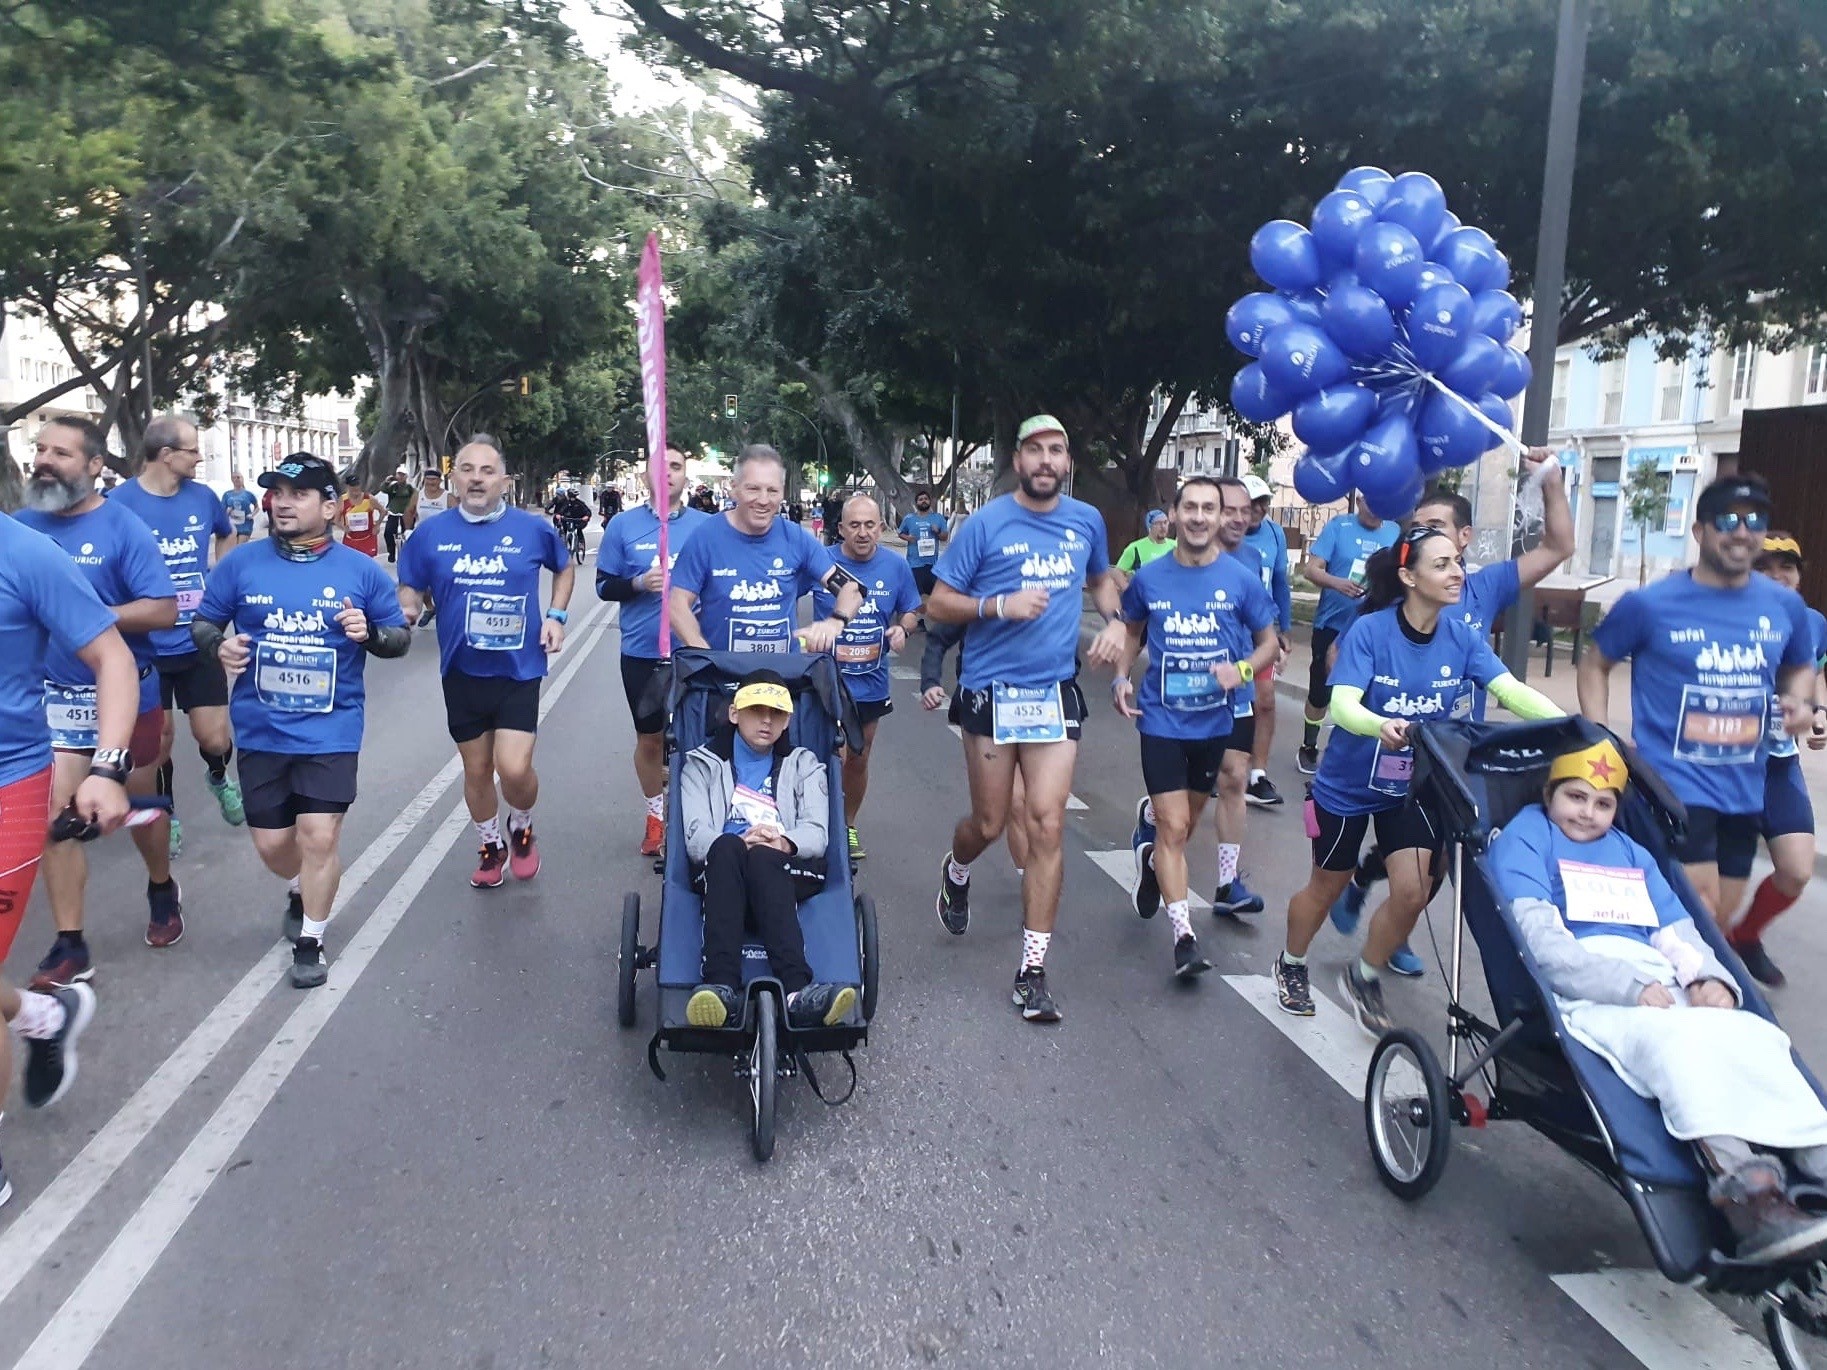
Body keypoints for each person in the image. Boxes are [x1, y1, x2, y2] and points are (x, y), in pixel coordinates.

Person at [1490, 736, 1827, 1266]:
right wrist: (1624, 986)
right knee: (1678, 1046)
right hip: (1592, 989)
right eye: (1576, 797)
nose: (1588, 813)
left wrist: (1708, 979)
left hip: (1659, 976)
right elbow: (1544, 945)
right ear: (1549, 793)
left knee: (1756, 1036)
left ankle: (1817, 1154)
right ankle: (1749, 1195)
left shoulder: (1631, 852)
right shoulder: (1526, 839)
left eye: (1603, 804)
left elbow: (1677, 932)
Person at [1276, 526, 1560, 1032]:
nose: (1457, 573)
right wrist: (1378, 724)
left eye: (1458, 562)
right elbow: (1342, 706)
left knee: (1413, 890)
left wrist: (1570, 729)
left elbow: (1510, 691)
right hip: (1347, 785)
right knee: (1326, 885)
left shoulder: (1460, 636)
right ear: (1408, 576)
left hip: (1410, 786)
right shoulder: (1370, 631)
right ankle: (1291, 962)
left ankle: (1363, 975)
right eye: (1442, 564)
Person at [1328, 451, 1575, 973]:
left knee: (1434, 863)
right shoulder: (1393, 599)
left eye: (1435, 529)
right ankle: (1381, 929)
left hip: (1450, 754)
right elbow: (1349, 655)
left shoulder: (1482, 587)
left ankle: (1380, 907)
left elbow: (1558, 546)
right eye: (1415, 531)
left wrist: (1551, 477)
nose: (1420, 538)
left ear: (1463, 538)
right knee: (1415, 867)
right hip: (1384, 751)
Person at [928, 414, 1126, 1022]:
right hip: (990, 690)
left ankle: (1032, 972)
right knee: (990, 824)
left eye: (1057, 451)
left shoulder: (1086, 520)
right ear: (1018, 460)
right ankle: (957, 868)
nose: (1046, 460)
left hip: (1052, 692)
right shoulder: (985, 523)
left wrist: (1117, 620)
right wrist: (998, 604)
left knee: (1046, 826)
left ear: (1067, 462)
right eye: (1035, 450)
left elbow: (1101, 579)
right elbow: (938, 601)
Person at [191, 455, 410, 988]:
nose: (283, 502)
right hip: (261, 728)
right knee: (273, 846)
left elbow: (398, 638)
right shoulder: (241, 565)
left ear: (330, 507)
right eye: (278, 492)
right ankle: (299, 886)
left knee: (318, 836)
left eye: (299, 493)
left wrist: (370, 634)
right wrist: (221, 646)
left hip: (331, 729)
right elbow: (202, 624)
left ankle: (311, 940)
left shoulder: (361, 572)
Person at [1579, 475, 1816, 924]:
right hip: (1673, 785)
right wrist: (1602, 736)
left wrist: (1799, 701)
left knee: (1719, 921)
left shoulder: (1784, 606)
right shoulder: (1649, 604)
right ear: (1699, 531)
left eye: (1754, 522)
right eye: (1728, 520)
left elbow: (1800, 664)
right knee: (1698, 916)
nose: (1742, 532)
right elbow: (1595, 664)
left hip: (1746, 787)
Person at [0, 507, 139, 1208]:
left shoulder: (26, 554)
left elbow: (112, 656)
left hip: (8, 785)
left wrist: (109, 769)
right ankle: (39, 1016)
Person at [18, 418, 181, 984]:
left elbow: (163, 609)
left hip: (125, 692)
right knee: (55, 817)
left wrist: (85, 618)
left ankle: (161, 887)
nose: (44, 460)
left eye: (61, 453)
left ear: (93, 466)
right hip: (52, 703)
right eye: (40, 449)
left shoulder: (123, 528)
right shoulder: (19, 529)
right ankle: (70, 942)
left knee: (134, 807)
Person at [1112, 476, 1277, 977]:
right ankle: (1184, 937)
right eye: (1192, 508)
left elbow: (1267, 643)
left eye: (1211, 508)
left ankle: (1151, 860)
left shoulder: (1241, 579)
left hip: (1214, 725)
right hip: (1160, 720)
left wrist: (1243, 671)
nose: (1201, 517)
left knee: (1182, 830)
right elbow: (1133, 630)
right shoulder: (1150, 578)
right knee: (1176, 826)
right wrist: (1121, 675)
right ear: (1176, 514)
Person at [397, 436, 573, 888]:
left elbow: (564, 566)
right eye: (468, 469)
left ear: (504, 481)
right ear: (454, 478)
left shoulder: (532, 529)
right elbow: (410, 584)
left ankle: (523, 823)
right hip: (461, 671)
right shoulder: (430, 535)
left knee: (513, 769)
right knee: (476, 770)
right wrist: (408, 607)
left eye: (487, 471)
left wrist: (555, 616)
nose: (476, 478)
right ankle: (490, 844)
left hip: (518, 668)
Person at [677, 670, 857, 1030]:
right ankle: (720, 987)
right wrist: (741, 842)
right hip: (722, 868)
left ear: (788, 719)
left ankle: (797, 992)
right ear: (733, 713)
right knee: (728, 846)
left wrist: (783, 841)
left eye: (776, 712)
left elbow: (818, 832)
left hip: (787, 866)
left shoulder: (805, 764)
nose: (766, 720)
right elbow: (696, 837)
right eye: (756, 709)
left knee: (763, 856)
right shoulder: (700, 764)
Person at [109, 414, 242, 853]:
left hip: (197, 637)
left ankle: (219, 776)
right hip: (146, 645)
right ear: (166, 454)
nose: (200, 456)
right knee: (160, 742)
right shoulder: (118, 503)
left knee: (215, 736)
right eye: (192, 449)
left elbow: (228, 535)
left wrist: (219, 574)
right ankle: (168, 813)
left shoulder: (203, 498)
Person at [1715, 533, 1827, 986]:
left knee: (1797, 870)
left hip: (1779, 766)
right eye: (1768, 567)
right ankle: (1703, 964)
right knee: (1715, 885)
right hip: (1722, 767)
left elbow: (1813, 673)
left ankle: (1746, 935)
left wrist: (1818, 712)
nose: (1780, 576)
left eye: (1789, 567)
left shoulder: (1814, 621)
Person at [597, 447, 712, 854]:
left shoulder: (707, 527)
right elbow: (602, 585)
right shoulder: (623, 526)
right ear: (645, 476)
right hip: (643, 653)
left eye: (676, 468)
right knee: (650, 740)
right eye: (659, 468)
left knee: (701, 739)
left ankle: (703, 817)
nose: (667, 475)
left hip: (697, 652)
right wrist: (638, 583)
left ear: (685, 476)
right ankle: (655, 817)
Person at [668, 444, 862, 657]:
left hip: (781, 679)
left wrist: (835, 622)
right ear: (734, 488)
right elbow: (677, 605)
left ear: (782, 492)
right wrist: (706, 658)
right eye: (753, 489)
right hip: (722, 679)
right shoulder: (705, 537)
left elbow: (852, 590)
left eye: (772, 491)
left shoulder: (795, 538)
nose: (763, 500)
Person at [813, 493, 920, 862]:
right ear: (840, 528)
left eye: (869, 525)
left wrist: (903, 629)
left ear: (881, 528)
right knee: (826, 755)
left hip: (870, 681)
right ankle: (817, 824)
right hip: (824, 680)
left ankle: (847, 824)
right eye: (854, 525)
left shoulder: (895, 566)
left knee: (858, 756)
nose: (862, 532)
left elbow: (911, 610)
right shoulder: (822, 563)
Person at [1297, 503, 1399, 774]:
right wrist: (1337, 583)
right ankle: (1309, 745)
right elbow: (1311, 570)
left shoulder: (1394, 531)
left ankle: (1357, 751)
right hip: (1332, 622)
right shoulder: (1338, 527)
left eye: (1381, 499)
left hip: (1376, 628)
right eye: (1371, 500)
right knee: (1321, 691)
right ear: (1361, 500)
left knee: (1367, 692)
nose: (1375, 507)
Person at [1240, 475, 1293, 808]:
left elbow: (1281, 584)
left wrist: (1284, 630)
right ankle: (1216, 766)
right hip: (1224, 634)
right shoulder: (1220, 534)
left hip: (1261, 634)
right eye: (1251, 502)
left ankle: (1256, 775)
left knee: (1266, 701)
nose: (1257, 509)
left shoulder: (1274, 534)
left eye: (1262, 502)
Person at [896, 489, 950, 627]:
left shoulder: (938, 518)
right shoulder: (909, 518)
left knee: (936, 594)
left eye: (926, 499)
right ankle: (917, 621)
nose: (923, 501)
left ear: (930, 501)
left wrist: (937, 531)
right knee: (916, 594)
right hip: (914, 563)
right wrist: (908, 538)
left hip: (932, 563)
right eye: (920, 499)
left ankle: (937, 620)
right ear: (916, 503)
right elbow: (900, 533)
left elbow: (945, 537)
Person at [1112, 509, 1174, 588]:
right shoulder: (1135, 548)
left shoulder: (1176, 546)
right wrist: (1128, 590)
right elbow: (1118, 572)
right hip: (1145, 595)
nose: (1163, 527)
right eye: (1158, 523)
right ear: (1149, 526)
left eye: (1165, 522)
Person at [379, 468, 415, 562]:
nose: (400, 477)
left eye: (402, 475)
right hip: (393, 512)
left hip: (406, 513)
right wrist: (386, 482)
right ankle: (391, 553)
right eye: (399, 474)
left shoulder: (409, 487)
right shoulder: (393, 486)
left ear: (406, 476)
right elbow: (383, 489)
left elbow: (415, 497)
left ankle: (405, 554)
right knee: (388, 532)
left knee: (407, 534)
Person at [338, 478, 381, 558]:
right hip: (351, 539)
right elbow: (335, 519)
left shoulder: (369, 498)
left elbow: (383, 511)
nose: (356, 487)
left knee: (368, 563)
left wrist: (377, 525)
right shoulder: (342, 500)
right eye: (352, 485)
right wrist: (343, 527)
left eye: (357, 485)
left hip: (368, 538)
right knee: (351, 563)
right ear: (347, 486)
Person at [547, 486, 591, 559]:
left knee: (578, 529)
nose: (571, 498)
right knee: (567, 529)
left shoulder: (580, 503)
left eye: (573, 497)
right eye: (570, 497)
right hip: (569, 519)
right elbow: (562, 510)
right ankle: (570, 544)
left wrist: (586, 516)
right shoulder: (567, 503)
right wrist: (559, 514)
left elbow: (587, 511)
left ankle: (581, 543)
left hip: (579, 520)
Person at [223, 471, 259, 546]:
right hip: (232, 526)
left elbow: (257, 507)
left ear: (242, 479)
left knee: (239, 547)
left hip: (245, 525)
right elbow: (222, 511)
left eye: (238, 477)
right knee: (233, 549)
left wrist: (252, 515)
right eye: (234, 478)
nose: (236, 479)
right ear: (232, 480)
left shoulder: (248, 494)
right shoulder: (227, 494)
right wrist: (227, 512)